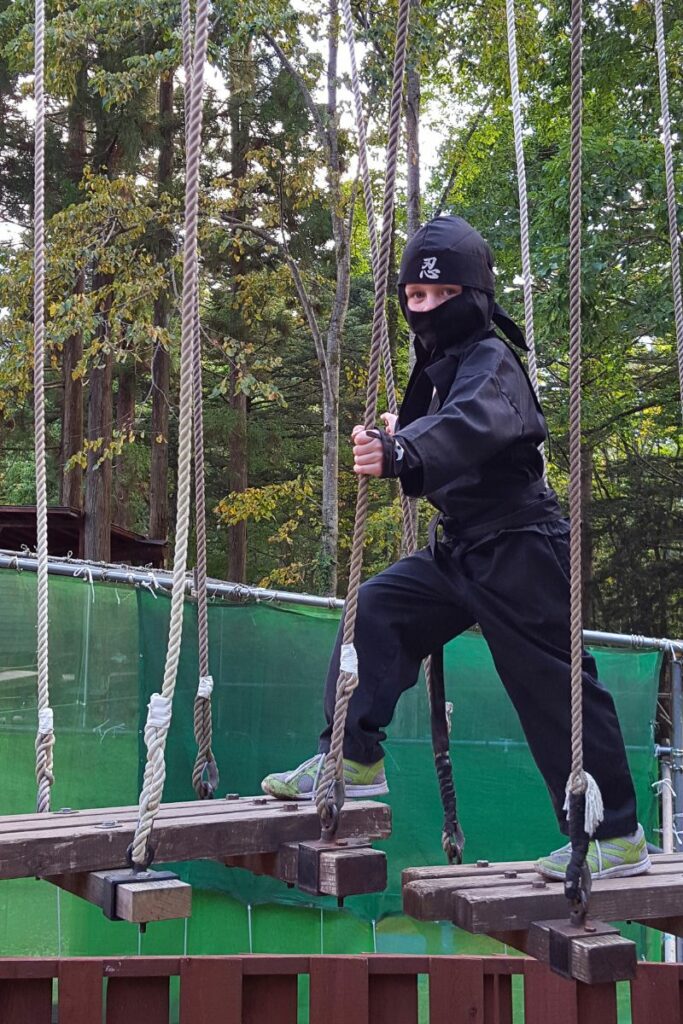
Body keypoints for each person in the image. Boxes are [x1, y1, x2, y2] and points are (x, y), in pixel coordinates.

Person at [261, 215, 650, 880]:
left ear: (476, 297)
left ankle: (615, 834)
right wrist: (404, 430)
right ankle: (351, 758)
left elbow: (475, 423)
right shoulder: (441, 362)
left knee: (551, 687)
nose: (429, 307)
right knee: (377, 610)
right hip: (462, 548)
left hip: (521, 548)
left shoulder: (492, 360)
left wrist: (403, 450)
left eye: (445, 295)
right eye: (417, 295)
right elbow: (446, 424)